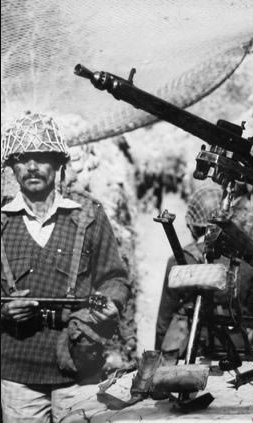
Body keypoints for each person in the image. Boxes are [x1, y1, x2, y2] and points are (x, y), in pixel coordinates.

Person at [0, 112, 131, 422]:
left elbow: (115, 278)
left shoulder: (88, 213)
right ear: (12, 168)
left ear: (59, 163)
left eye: (42, 157)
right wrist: (4, 311)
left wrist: (110, 302)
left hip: (80, 366)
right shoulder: (3, 220)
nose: (32, 166)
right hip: (19, 372)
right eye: (22, 158)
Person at [155, 184, 253, 356]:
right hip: (236, 348)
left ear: (191, 225)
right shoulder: (246, 262)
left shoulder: (177, 261)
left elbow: (164, 322)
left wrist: (160, 358)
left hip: (189, 348)